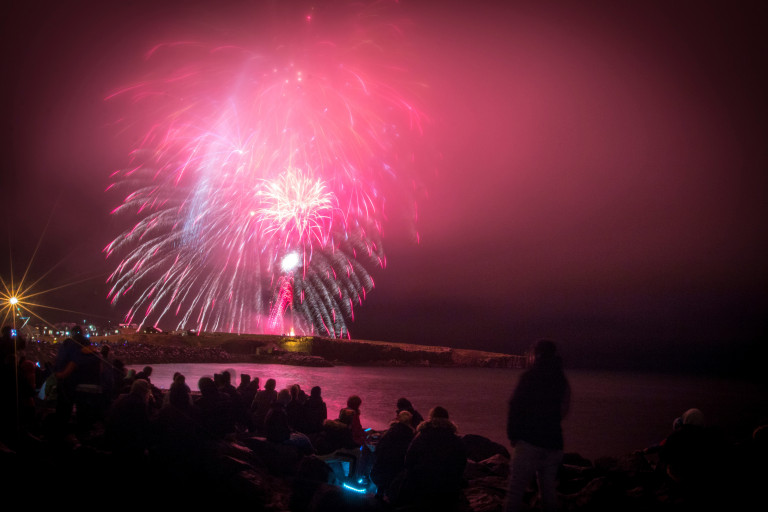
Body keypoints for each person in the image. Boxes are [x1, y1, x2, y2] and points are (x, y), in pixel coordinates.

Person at [503, 340, 571, 512]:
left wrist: (513, 436)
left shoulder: (530, 377)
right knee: (548, 494)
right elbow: (564, 410)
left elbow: (515, 407)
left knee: (515, 493)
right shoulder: (561, 379)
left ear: (536, 354)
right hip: (554, 443)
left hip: (529, 442)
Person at [396, 406, 468, 509]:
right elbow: (461, 464)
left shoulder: (421, 437)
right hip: (448, 489)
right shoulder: (456, 440)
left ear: (430, 418)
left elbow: (408, 461)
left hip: (422, 486)